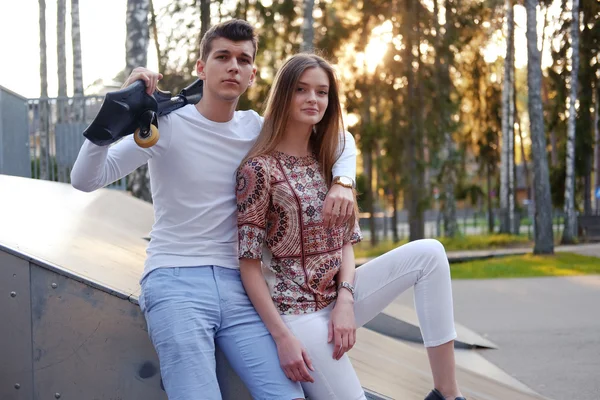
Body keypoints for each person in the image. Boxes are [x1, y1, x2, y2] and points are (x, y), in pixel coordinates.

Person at [71, 20, 358, 400]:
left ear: (253, 74)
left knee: (287, 396)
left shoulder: (257, 128)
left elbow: (340, 137)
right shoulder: (167, 126)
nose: (233, 66)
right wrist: (115, 114)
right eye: (222, 56)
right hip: (175, 282)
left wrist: (343, 181)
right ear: (201, 67)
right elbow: (85, 178)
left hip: (240, 287)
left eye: (243, 59)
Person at [236, 53, 466, 400]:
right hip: (297, 312)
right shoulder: (257, 169)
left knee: (430, 254)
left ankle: (447, 394)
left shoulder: (330, 158)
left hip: (340, 296)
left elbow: (344, 240)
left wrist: (346, 300)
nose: (313, 99)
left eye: (322, 92)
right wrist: (283, 337)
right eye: (301, 90)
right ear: (284, 94)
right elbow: (249, 265)